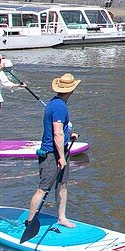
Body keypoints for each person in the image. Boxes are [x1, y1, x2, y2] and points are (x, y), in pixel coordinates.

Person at [26, 73, 81, 230]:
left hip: (60, 150)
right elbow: (57, 133)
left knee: (62, 185)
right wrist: (61, 158)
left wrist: (70, 135)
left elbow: (59, 130)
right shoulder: (60, 107)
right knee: (43, 188)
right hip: (51, 153)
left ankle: (62, 218)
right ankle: (30, 223)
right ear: (72, 90)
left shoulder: (55, 103)